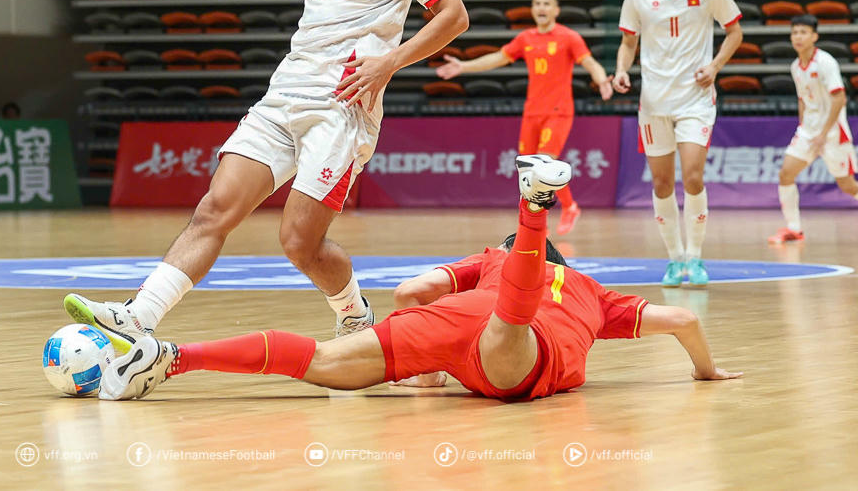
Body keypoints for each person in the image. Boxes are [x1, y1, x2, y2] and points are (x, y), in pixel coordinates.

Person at [64, 0, 468, 350]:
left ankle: (354, 315)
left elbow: (454, 16)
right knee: (214, 209)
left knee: (299, 243)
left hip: (339, 107)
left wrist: (388, 62)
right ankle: (139, 317)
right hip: (284, 94)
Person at [98, 154, 742, 401]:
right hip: (513, 352)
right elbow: (683, 320)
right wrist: (705, 372)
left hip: (446, 329)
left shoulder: (487, 259)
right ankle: (535, 205)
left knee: (318, 360)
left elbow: (409, 293)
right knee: (511, 323)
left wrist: (428, 362)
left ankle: (169, 358)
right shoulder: (595, 296)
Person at [613, 0, 743, 287]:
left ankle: (696, 258)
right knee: (661, 183)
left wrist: (715, 66)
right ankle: (674, 260)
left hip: (696, 99)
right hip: (653, 103)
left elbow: (734, 31)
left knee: (694, 175)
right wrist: (622, 70)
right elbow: (628, 42)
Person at [436, 0, 613, 235]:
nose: (541, 8)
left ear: (556, 10)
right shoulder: (525, 38)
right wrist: (463, 67)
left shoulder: (569, 37)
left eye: (547, 4)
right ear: (532, 9)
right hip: (532, 112)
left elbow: (591, 63)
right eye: (537, 3)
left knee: (544, 161)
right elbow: (498, 58)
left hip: (558, 111)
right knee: (528, 170)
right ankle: (544, 219)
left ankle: (565, 208)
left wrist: (602, 79)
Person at [769, 15, 858, 244]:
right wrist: (803, 127)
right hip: (808, 132)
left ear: (814, 36)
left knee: (848, 186)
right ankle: (794, 228)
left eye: (803, 32)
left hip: (832, 133)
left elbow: (839, 98)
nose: (798, 36)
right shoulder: (795, 67)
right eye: (795, 32)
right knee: (786, 174)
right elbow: (802, 98)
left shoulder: (825, 62)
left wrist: (822, 133)